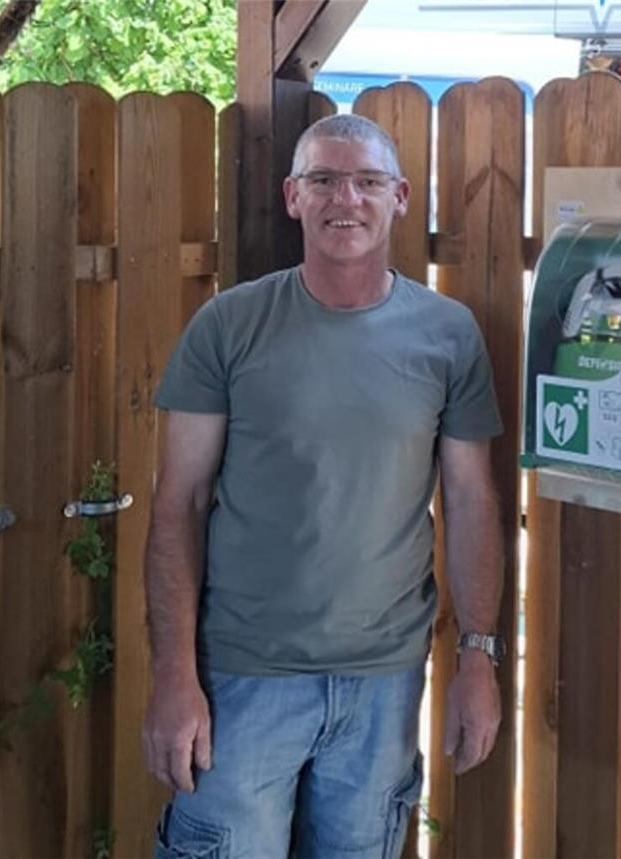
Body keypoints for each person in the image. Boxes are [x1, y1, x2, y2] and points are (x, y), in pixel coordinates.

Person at [142, 114, 505, 859]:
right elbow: (176, 504)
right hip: (243, 677)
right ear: (292, 196)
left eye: (368, 181)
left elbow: (472, 500)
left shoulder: (448, 334)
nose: (348, 198)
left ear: (400, 196)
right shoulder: (228, 326)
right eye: (324, 180)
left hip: (384, 686)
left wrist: (478, 656)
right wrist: (175, 673)